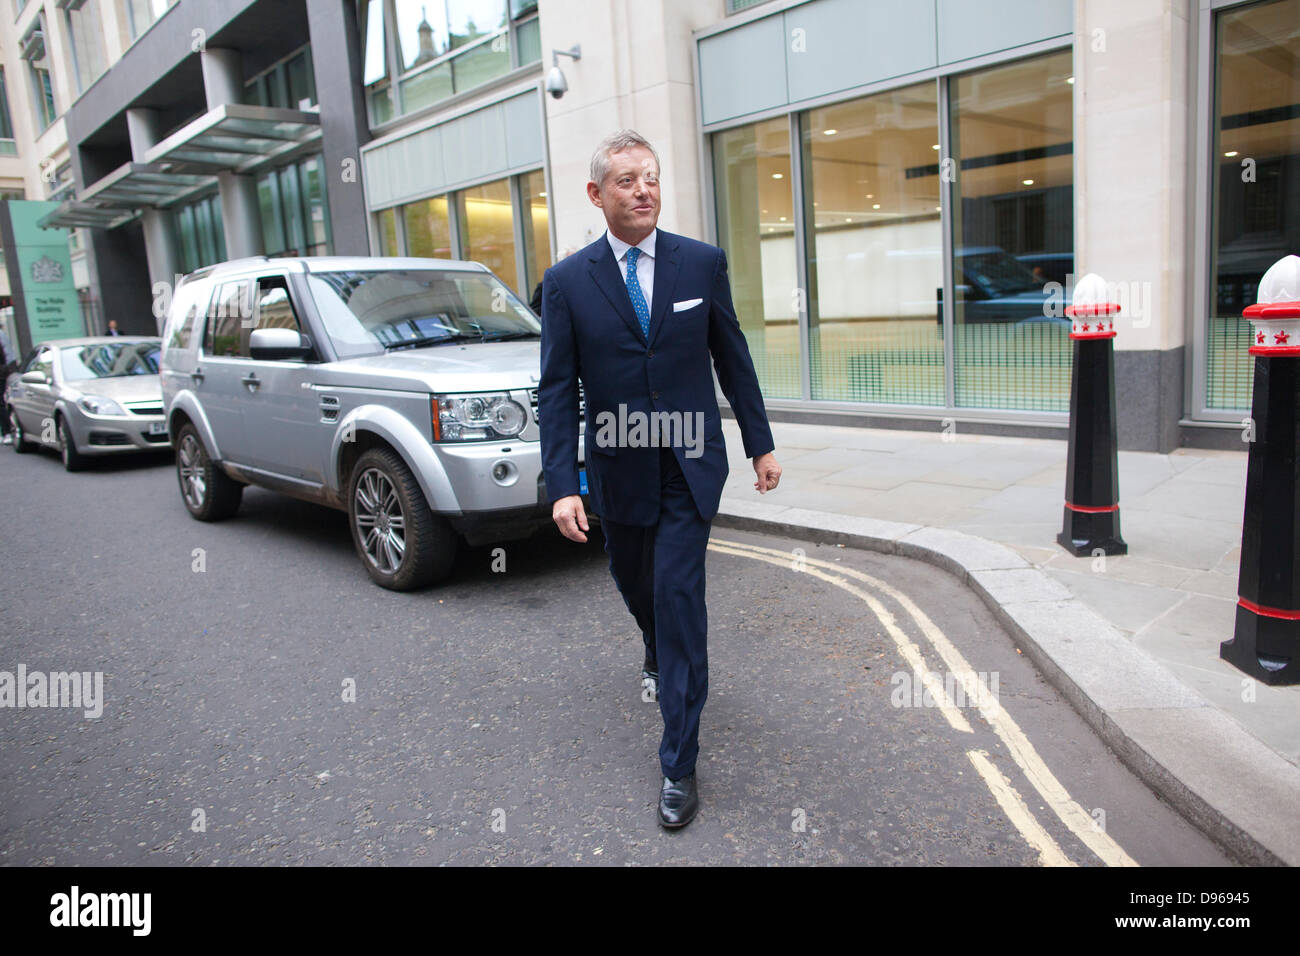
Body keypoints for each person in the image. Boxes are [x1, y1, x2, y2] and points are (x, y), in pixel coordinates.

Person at [538, 129, 781, 829]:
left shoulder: (699, 264)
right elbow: (556, 390)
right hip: (617, 468)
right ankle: (654, 646)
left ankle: (678, 760)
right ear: (596, 195)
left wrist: (759, 444)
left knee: (678, 601)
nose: (643, 190)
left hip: (687, 466)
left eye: (650, 178)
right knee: (635, 584)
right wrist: (563, 483)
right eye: (626, 181)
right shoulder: (566, 283)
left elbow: (732, 357)